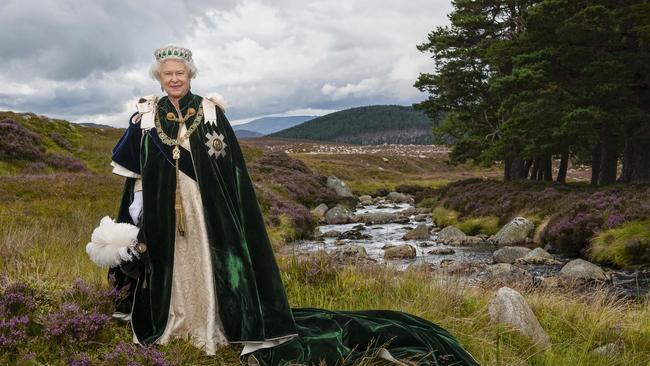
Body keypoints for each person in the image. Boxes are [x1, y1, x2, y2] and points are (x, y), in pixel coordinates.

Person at [108, 45, 479, 365]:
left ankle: (212, 327)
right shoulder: (146, 116)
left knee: (209, 261)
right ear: (159, 77)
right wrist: (139, 203)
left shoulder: (210, 112)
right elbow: (136, 171)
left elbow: (228, 169)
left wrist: (226, 210)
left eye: (181, 73)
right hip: (161, 210)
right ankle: (175, 323)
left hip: (208, 210)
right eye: (168, 74)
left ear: (190, 75)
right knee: (171, 264)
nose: (175, 79)